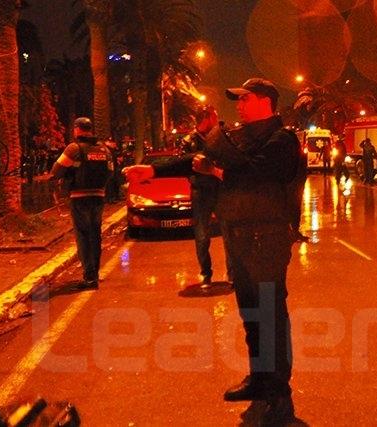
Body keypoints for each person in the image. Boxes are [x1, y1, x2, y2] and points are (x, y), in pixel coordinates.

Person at [124, 77, 299, 424]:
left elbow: (255, 176)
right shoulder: (240, 136)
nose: (239, 104)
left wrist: (215, 169)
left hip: (268, 239)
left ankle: (279, 393)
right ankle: (259, 379)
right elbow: (196, 158)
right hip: (238, 237)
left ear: (265, 101)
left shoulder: (282, 140)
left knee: (271, 316)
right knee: (251, 315)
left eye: (245, 98)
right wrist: (153, 170)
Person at [50, 117, 113, 289]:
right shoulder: (104, 149)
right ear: (90, 129)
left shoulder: (74, 148)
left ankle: (89, 277)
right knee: (95, 235)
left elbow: (56, 171)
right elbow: (110, 171)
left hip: (79, 198)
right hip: (98, 197)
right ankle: (95, 274)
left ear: (77, 129)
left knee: (83, 236)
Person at [185, 106, 233, 289]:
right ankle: (206, 273)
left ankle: (233, 275)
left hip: (220, 189)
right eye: (215, 116)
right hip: (200, 192)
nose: (217, 119)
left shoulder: (220, 137)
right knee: (202, 236)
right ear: (207, 118)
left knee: (229, 233)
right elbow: (186, 164)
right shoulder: (189, 140)